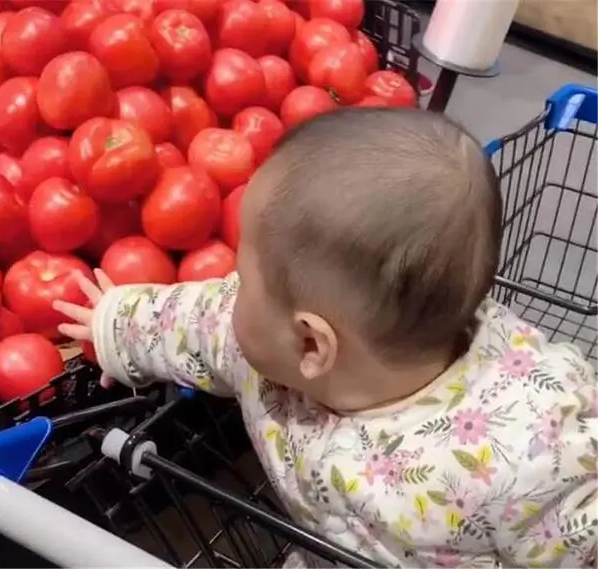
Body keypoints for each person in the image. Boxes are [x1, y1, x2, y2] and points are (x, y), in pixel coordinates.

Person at [54, 108, 597, 569]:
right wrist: (113, 324)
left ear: (312, 344)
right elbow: (193, 319)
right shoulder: (262, 351)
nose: (228, 292)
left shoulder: (535, 450)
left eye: (243, 281)